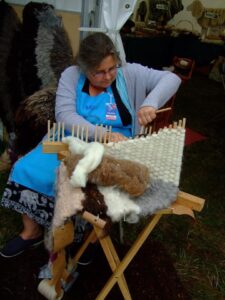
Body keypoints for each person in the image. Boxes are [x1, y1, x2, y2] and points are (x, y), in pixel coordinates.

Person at [0, 32, 181, 258]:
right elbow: (65, 115)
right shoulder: (71, 76)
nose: (108, 76)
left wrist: (149, 103)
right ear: (84, 69)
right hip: (70, 137)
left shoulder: (130, 73)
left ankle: (89, 238)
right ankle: (32, 232)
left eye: (112, 68)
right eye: (100, 72)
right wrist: (101, 133)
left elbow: (172, 79)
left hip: (115, 144)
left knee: (89, 184)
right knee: (28, 168)